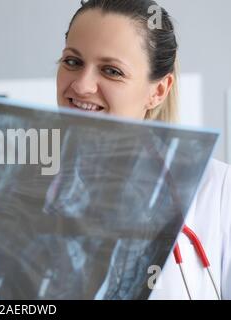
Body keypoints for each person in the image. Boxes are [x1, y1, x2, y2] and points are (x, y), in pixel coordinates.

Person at [56, 0, 231, 299]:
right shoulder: (19, 176)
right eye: (73, 62)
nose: (82, 86)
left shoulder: (219, 191)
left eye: (111, 71)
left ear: (158, 91)